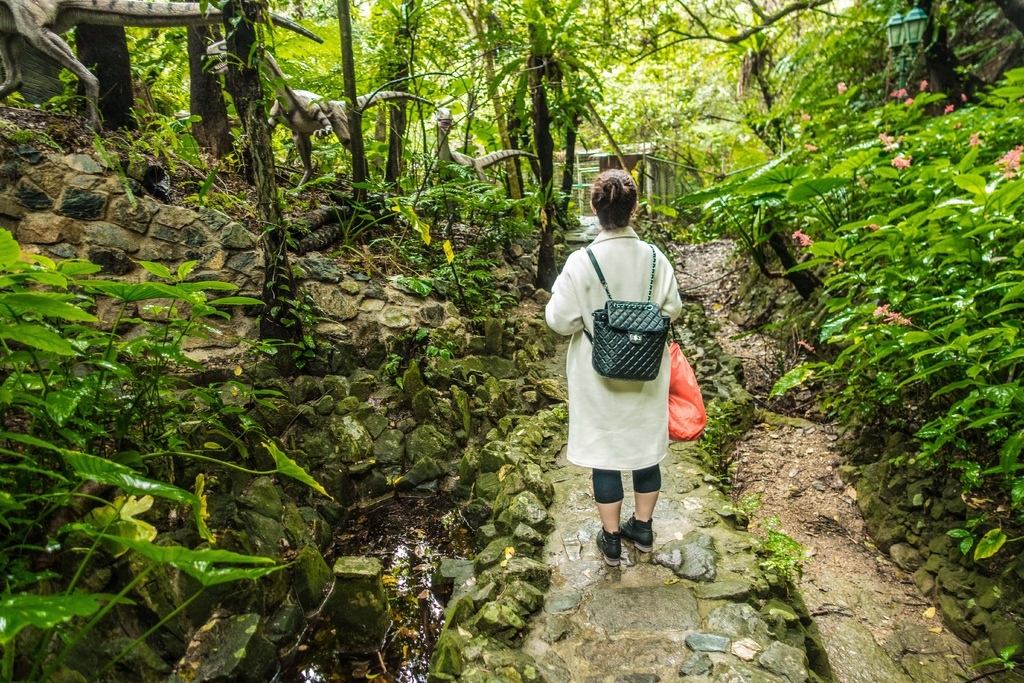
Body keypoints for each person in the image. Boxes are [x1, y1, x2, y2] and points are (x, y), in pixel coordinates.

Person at [544, 169, 683, 566]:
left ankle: (609, 539)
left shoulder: (580, 261)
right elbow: (672, 308)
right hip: (646, 370)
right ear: (634, 207)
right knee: (645, 451)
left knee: (605, 454)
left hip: (597, 376)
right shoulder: (655, 258)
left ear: (594, 207)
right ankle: (642, 528)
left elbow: (561, 321)